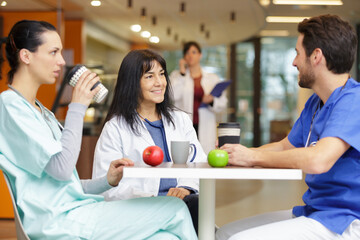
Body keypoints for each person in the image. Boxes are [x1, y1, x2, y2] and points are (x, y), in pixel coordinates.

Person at [0, 20, 197, 240]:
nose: (62, 61)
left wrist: (108, 180)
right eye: (54, 52)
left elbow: (66, 183)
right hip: (59, 221)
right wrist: (77, 107)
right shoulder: (9, 105)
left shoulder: (41, 112)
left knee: (165, 238)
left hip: (75, 211)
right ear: (26, 56)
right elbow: (62, 169)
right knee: (175, 208)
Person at [216, 14, 360, 240]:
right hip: (316, 213)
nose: (294, 62)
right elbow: (286, 146)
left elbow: (318, 160)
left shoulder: (354, 100)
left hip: (344, 222)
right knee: (225, 234)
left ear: (316, 56)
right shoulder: (316, 102)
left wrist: (252, 158)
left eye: (297, 53)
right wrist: (237, 153)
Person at [93, 49, 207, 234]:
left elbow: (198, 163)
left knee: (197, 204)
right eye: (149, 76)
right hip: (140, 208)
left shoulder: (181, 120)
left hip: (183, 203)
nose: (159, 82)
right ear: (132, 82)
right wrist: (156, 200)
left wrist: (185, 188)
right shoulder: (115, 128)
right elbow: (106, 185)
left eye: (162, 74)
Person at [170, 41, 228, 154]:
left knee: (204, 157)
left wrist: (212, 101)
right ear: (184, 57)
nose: (190, 55)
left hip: (205, 125)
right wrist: (182, 73)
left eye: (194, 52)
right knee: (183, 157)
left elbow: (222, 103)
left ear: (200, 55)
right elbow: (172, 95)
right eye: (187, 53)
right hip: (184, 125)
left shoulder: (212, 78)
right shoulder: (176, 76)